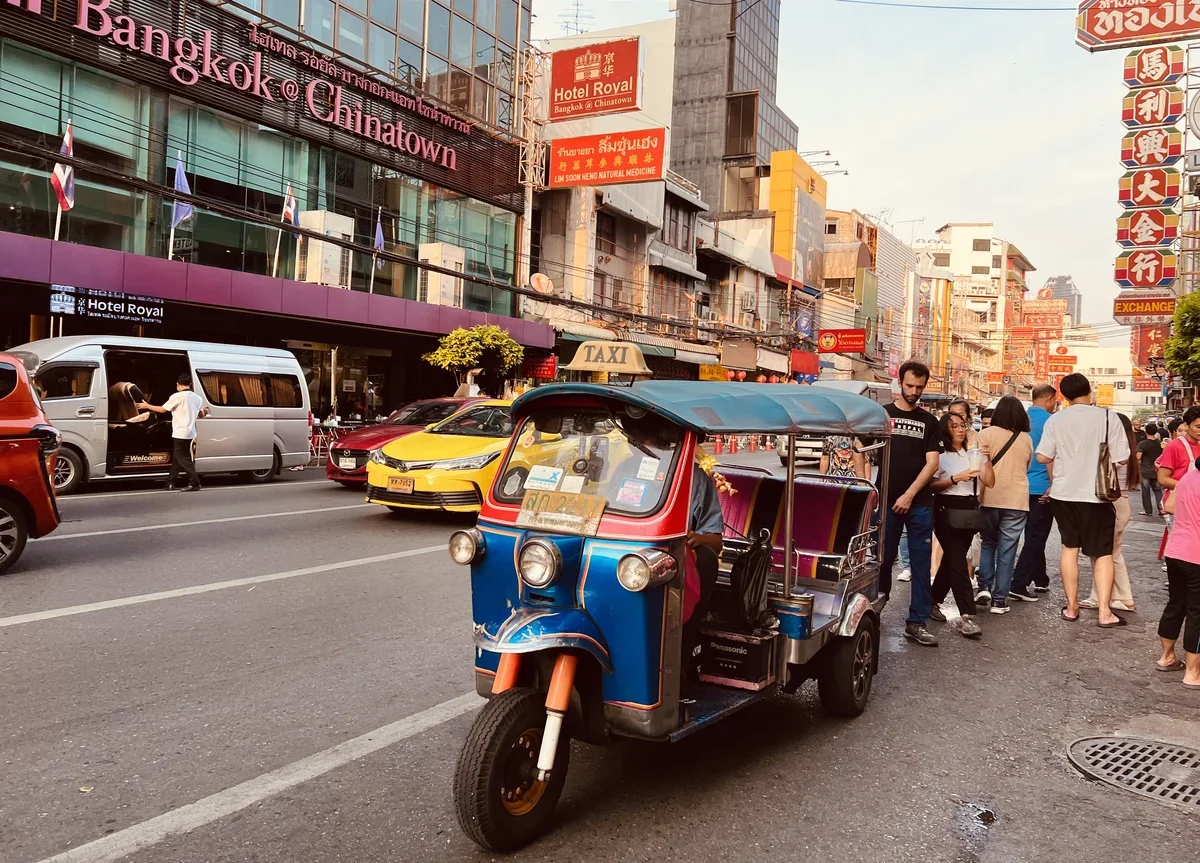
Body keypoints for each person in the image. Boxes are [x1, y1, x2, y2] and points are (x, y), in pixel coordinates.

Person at [1036, 373, 1131, 626]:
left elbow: (1042, 457)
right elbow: (1122, 457)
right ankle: (1105, 612)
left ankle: (1072, 608)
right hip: (1097, 495)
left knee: (1069, 548)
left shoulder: (1056, 420)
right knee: (1102, 553)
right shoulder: (1108, 417)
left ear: (1065, 396)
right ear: (1089, 390)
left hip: (1063, 494)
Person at [880, 361, 942, 647]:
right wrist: (867, 486)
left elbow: (933, 463)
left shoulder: (930, 422)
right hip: (886, 501)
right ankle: (874, 611)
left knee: (920, 564)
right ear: (899, 382)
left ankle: (917, 622)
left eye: (919, 387)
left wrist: (909, 495)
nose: (914, 391)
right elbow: (860, 448)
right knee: (882, 561)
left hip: (919, 504)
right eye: (909, 385)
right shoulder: (883, 415)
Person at [928, 412, 994, 639]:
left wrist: (987, 461)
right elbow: (932, 485)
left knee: (951, 560)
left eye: (962, 425)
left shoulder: (972, 454)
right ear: (944, 430)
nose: (959, 429)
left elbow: (990, 482)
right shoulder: (939, 456)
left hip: (968, 511)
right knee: (957, 562)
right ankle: (967, 615)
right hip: (945, 509)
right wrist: (956, 478)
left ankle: (931, 600)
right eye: (953, 426)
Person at [976, 396, 1033, 613]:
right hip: (1017, 499)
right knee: (1007, 551)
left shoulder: (985, 435)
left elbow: (978, 466)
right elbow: (1027, 467)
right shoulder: (1026, 439)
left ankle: (984, 588)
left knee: (988, 543)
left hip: (990, 497)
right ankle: (999, 601)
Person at [1081, 413, 1138, 613]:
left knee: (1102, 553)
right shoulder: (1129, 452)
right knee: (1112, 553)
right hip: (1122, 503)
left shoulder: (1114, 454)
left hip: (1110, 504)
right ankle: (1122, 597)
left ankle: (1100, 597)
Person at [1011, 384, 1057, 601]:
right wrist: (1054, 484)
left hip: (1019, 485)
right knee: (1036, 536)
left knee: (1031, 535)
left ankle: (1040, 578)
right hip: (1042, 487)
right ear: (1049, 399)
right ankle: (1018, 583)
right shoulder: (1052, 422)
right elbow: (1052, 457)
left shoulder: (1020, 419)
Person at [1157, 454, 1200, 688]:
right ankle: (1193, 673)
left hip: (1175, 551)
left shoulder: (1187, 478)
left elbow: (1169, 506)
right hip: (1197, 556)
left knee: (1176, 604)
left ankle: (1167, 657)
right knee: (1197, 612)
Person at [138, 373, 209, 492]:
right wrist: (205, 411)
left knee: (184, 459)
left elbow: (163, 410)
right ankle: (170, 482)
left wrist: (147, 406)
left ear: (178, 385)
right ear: (190, 384)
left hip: (180, 432)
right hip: (191, 433)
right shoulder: (197, 398)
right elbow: (200, 415)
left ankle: (195, 483)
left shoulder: (176, 396)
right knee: (177, 458)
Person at [1138, 422, 1164, 516]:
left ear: (1146, 432)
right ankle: (1161, 509)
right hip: (1156, 470)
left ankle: (1148, 511)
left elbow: (1138, 457)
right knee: (1158, 491)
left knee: (1145, 491)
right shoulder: (1159, 443)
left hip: (1145, 471)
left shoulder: (1142, 444)